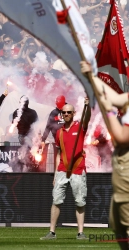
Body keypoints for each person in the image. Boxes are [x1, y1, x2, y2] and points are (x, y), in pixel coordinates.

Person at [81, 60, 129, 250]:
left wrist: (107, 111)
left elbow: (121, 137)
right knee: (118, 225)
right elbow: (116, 97)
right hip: (122, 167)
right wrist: (91, 76)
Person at [40, 98, 91, 240]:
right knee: (56, 201)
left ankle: (80, 232)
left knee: (80, 202)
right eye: (64, 112)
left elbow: (87, 119)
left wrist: (88, 107)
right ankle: (52, 232)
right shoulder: (59, 133)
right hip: (62, 170)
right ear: (61, 114)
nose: (67, 114)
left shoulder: (80, 127)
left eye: (69, 112)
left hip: (78, 169)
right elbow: (58, 154)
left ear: (74, 113)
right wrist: (56, 174)